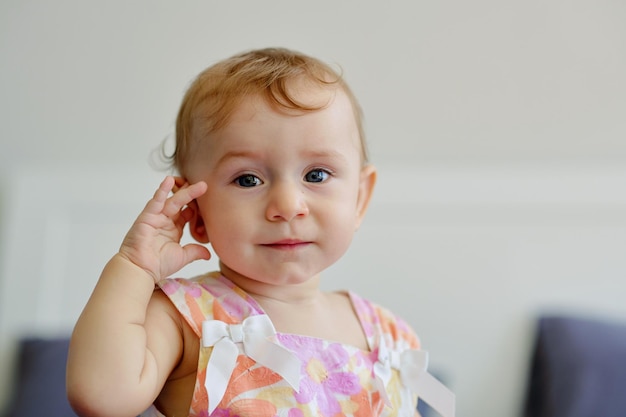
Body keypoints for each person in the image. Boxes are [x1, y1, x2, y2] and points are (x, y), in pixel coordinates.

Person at [66, 47, 455, 417]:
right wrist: (134, 267)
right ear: (195, 211)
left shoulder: (390, 336)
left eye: (316, 175)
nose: (287, 205)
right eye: (248, 179)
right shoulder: (185, 319)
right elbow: (100, 397)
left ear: (359, 198)